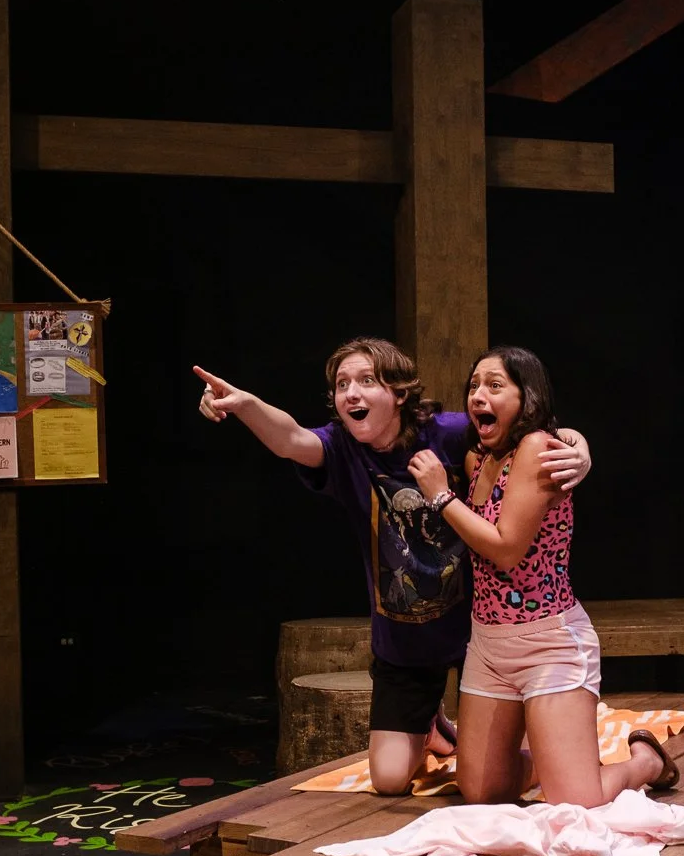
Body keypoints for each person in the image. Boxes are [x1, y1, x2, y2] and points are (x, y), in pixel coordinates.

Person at [193, 338, 591, 795]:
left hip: (477, 631)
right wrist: (245, 404)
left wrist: (579, 447)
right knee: (388, 780)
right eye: (343, 385)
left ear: (400, 393)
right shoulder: (343, 449)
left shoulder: (448, 433)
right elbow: (290, 439)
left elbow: (527, 433)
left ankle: (540, 760)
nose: (352, 393)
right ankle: (434, 728)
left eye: (367, 380)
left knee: (488, 776)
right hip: (404, 637)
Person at [406, 344, 679, 807]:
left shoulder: (536, 448)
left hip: (548, 642)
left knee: (576, 804)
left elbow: (507, 549)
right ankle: (556, 759)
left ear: (526, 397)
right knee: (481, 791)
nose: (478, 395)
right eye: (474, 385)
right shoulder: (478, 460)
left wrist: (440, 497)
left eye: (495, 385)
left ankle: (644, 763)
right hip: (489, 644)